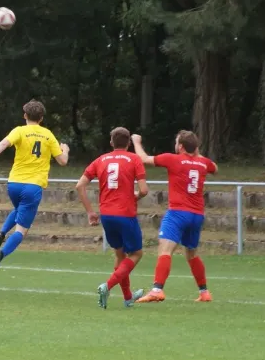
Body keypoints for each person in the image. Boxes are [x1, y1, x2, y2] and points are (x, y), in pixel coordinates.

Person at [0, 99, 70, 278]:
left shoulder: (19, 131)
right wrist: (64, 149)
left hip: (13, 183)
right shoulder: (48, 135)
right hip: (33, 186)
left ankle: (2, 232)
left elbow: (3, 144)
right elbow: (63, 161)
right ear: (42, 118)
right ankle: (1, 253)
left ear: (25, 116)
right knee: (22, 231)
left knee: (18, 209)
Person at [132, 131, 218, 303]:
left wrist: (136, 142)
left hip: (178, 213)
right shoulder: (204, 163)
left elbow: (143, 159)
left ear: (180, 146)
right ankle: (204, 292)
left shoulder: (173, 159)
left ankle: (157, 290)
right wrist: (197, 153)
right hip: (196, 215)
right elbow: (215, 168)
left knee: (165, 250)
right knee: (191, 253)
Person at [75, 127, 148, 309]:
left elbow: (79, 185)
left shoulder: (101, 160)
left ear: (111, 143)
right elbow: (144, 190)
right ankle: (107, 286)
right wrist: (135, 196)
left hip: (107, 215)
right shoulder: (134, 159)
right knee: (137, 253)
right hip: (125, 214)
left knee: (119, 254)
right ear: (129, 144)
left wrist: (91, 211)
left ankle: (128, 298)